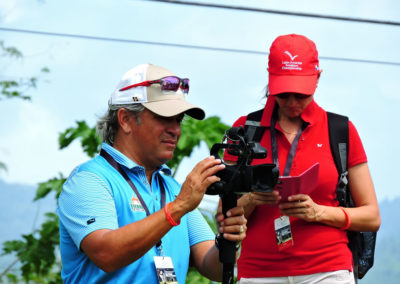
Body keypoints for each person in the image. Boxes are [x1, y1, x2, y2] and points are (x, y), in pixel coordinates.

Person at [57, 63, 247, 283]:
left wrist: (227, 241)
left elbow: (211, 266)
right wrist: (178, 207)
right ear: (125, 119)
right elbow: (105, 253)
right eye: (164, 118)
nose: (176, 130)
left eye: (178, 120)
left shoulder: (173, 188)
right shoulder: (90, 180)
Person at [224, 34, 381, 283]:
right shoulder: (245, 130)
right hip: (258, 272)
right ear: (270, 78)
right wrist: (253, 198)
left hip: (328, 270)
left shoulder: (340, 130)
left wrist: (318, 212)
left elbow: (372, 217)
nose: (292, 103)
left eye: (301, 94)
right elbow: (224, 215)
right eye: (284, 94)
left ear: (317, 78)